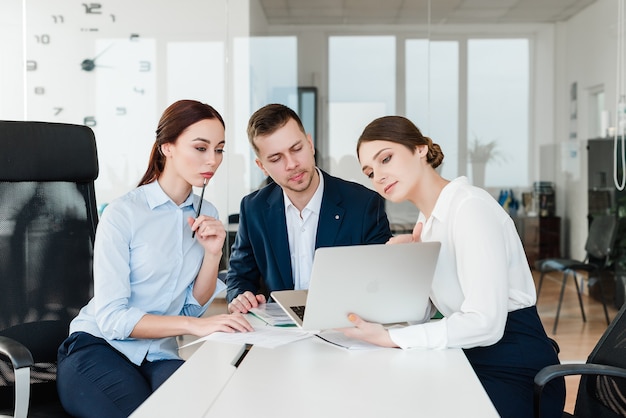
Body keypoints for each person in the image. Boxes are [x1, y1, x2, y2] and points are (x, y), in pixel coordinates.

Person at [342, 115, 565, 418]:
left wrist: (393, 338)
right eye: (369, 171)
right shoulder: (427, 223)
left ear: (419, 149)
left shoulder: (469, 207)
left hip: (514, 369)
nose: (378, 176)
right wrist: (407, 270)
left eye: (386, 159)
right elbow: (427, 314)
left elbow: (485, 324)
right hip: (469, 356)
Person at [56, 100, 253, 418]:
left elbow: (191, 305)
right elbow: (112, 319)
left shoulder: (207, 213)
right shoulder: (124, 213)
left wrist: (213, 254)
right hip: (98, 347)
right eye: (201, 148)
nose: (212, 160)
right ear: (167, 147)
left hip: (158, 353)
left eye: (219, 150)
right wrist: (195, 326)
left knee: (205, 408)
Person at [226, 104, 392, 313]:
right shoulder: (253, 208)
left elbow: (382, 281)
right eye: (276, 158)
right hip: (280, 334)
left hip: (346, 327)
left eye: (297, 149)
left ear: (310, 144)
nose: (292, 164)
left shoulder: (363, 203)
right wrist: (240, 296)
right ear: (262, 166)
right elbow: (239, 277)